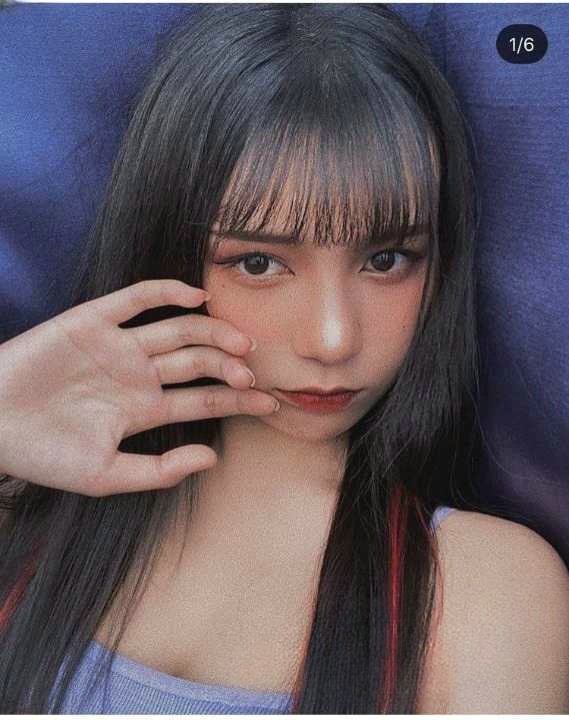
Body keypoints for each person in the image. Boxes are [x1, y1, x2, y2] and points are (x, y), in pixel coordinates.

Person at [0, 4, 567, 714]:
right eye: (259, 263)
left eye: (386, 259)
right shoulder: (25, 510)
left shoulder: (484, 592)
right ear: (167, 251)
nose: (332, 339)